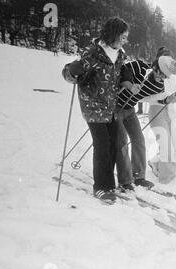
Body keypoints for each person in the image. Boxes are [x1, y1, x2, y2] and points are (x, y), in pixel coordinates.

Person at [62, 17, 129, 203]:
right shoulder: (93, 52)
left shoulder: (120, 54)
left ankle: (108, 181)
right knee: (102, 146)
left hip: (111, 107)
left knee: (113, 145)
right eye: (123, 37)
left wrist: (128, 77)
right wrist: (71, 72)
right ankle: (102, 186)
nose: (125, 40)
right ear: (113, 35)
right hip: (93, 105)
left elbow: (123, 69)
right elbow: (69, 73)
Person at [115, 48, 173, 192]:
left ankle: (138, 177)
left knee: (139, 140)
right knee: (122, 143)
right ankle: (125, 181)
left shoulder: (159, 85)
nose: (163, 79)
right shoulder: (141, 66)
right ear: (156, 68)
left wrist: (166, 99)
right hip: (115, 107)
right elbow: (124, 70)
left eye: (166, 77)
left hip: (129, 110)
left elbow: (152, 98)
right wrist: (130, 85)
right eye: (163, 75)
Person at [146, 57, 176, 184]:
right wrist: (164, 98)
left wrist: (172, 98)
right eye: (164, 75)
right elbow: (144, 97)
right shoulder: (149, 76)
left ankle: (154, 162)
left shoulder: (170, 78)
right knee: (166, 145)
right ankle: (166, 180)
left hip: (170, 112)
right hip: (157, 111)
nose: (165, 78)